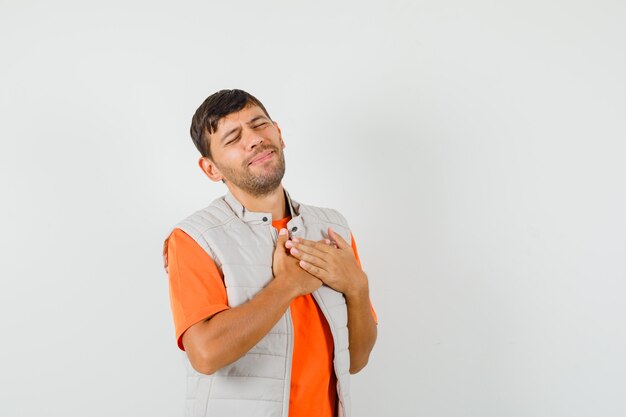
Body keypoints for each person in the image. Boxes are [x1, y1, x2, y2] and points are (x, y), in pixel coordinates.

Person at [163, 89, 377, 417]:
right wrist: (287, 286)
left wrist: (357, 287)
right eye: (233, 137)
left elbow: (356, 360)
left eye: (259, 125)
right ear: (211, 169)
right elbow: (205, 355)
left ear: (279, 133)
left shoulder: (333, 228)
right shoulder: (196, 238)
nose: (254, 139)